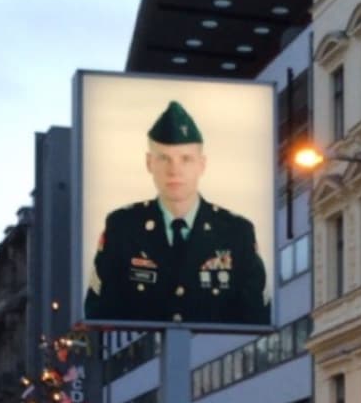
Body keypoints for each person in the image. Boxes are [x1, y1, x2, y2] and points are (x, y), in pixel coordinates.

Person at [83, 100, 269, 326]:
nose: (174, 170)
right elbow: (98, 311)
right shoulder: (123, 227)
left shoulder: (236, 232)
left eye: (186, 159)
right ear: (149, 163)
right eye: (164, 158)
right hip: (146, 356)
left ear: (202, 165)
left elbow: (257, 316)